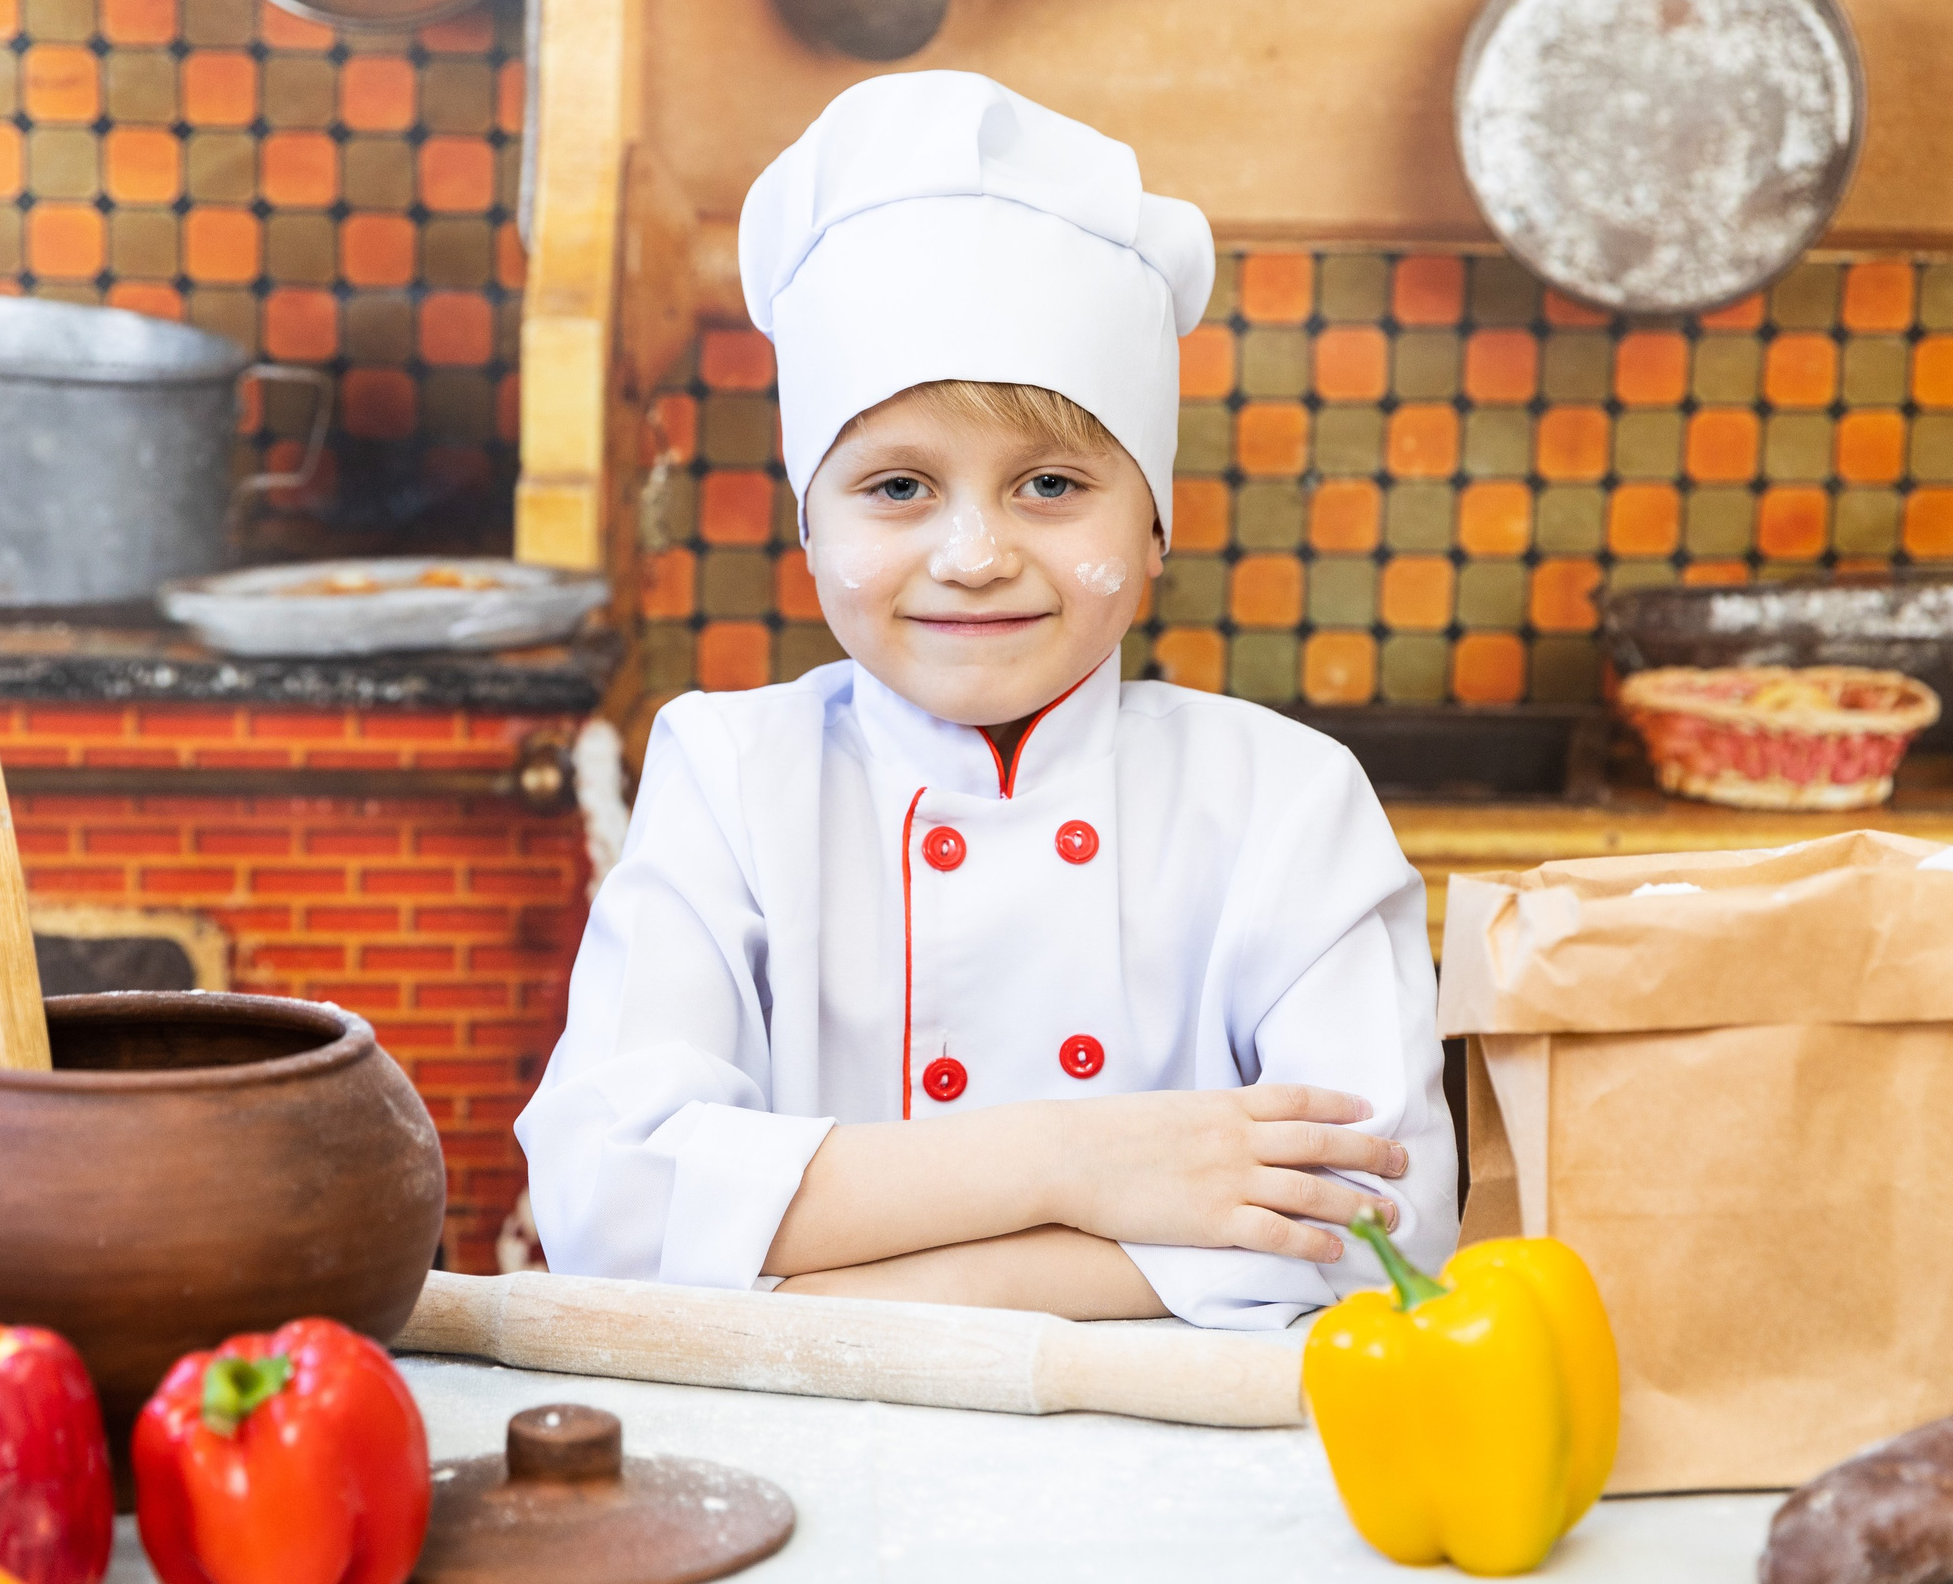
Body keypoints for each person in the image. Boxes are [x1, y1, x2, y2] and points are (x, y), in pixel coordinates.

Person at [515, 72, 1456, 1329]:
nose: (973, 556)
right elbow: (608, 1207)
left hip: (1160, 1443)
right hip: (810, 1443)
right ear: (809, 526)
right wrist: (1077, 1160)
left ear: (1155, 525)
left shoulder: (1283, 801)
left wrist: (884, 1283)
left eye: (1050, 486)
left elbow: (1380, 1232)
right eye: (897, 488)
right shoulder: (731, 775)